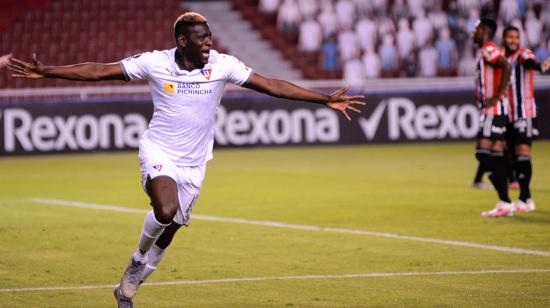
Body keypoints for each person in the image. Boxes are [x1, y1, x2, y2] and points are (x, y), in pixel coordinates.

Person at [8, 12, 365, 307]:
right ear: (183, 41)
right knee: (164, 210)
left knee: (172, 229)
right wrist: (49, 71)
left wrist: (323, 99)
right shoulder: (155, 63)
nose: (209, 41)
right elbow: (100, 69)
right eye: (201, 37)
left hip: (195, 163)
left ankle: (132, 282)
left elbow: (272, 84)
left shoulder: (223, 65)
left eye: (209, 35)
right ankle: (136, 262)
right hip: (159, 151)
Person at [501, 25, 550, 213]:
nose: (514, 40)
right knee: (511, 155)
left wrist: (541, 66)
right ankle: (526, 197)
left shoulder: (523, 54)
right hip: (509, 114)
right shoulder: (504, 60)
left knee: (523, 152)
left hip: (524, 112)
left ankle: (524, 197)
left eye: (516, 37)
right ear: (504, 39)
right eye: (510, 37)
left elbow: (531, 63)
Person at [471, 18, 513, 218]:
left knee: (482, 152)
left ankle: (505, 198)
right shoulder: (485, 50)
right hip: (494, 110)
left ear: (485, 31)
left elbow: (506, 65)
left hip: (493, 110)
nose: (474, 32)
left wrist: (497, 95)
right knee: (496, 153)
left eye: (477, 29)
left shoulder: (489, 49)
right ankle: (505, 202)